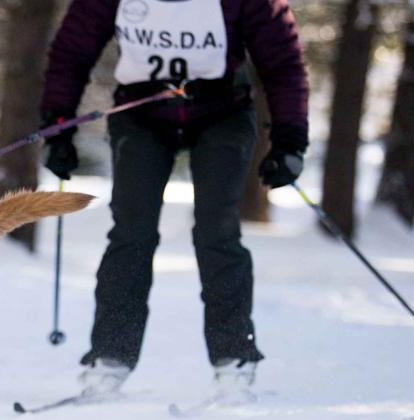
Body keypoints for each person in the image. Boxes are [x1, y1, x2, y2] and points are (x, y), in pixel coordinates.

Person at [39, 0, 310, 399]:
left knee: (217, 231)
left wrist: (289, 138)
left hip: (223, 112)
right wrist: (56, 127)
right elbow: (72, 52)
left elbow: (282, 61)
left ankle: (234, 360)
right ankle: (110, 359)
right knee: (132, 232)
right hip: (141, 113)